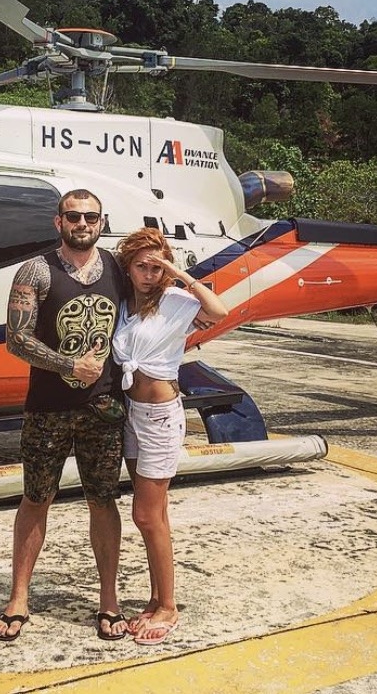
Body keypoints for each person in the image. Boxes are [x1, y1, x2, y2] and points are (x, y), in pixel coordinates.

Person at [0, 188, 128, 643]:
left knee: (103, 500)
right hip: (49, 408)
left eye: (91, 216)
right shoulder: (37, 271)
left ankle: (109, 600)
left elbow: (153, 300)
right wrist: (70, 365)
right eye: (74, 216)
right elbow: (16, 338)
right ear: (58, 222)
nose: (82, 223)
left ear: (101, 221)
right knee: (36, 498)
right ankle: (18, 597)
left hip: (103, 408)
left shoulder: (117, 268)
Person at [112, 227, 228, 646]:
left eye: (155, 267)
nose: (149, 274)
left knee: (146, 515)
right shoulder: (122, 305)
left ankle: (169, 606)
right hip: (130, 414)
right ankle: (156, 597)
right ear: (127, 266)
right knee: (152, 516)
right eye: (142, 266)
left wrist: (178, 273)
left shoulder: (177, 302)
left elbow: (218, 312)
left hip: (161, 416)